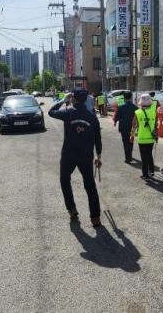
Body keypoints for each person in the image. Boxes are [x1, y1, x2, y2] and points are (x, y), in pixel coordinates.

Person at [48, 89, 103, 227]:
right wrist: (99, 156)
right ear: (85, 100)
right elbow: (98, 138)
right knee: (90, 185)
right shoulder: (92, 116)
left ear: (73, 99)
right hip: (86, 156)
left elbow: (51, 112)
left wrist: (63, 100)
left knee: (64, 180)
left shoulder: (69, 112)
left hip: (69, 155)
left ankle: (72, 210)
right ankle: (95, 217)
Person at [131, 94, 157, 179]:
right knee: (149, 154)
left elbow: (134, 125)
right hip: (151, 138)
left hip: (142, 138)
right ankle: (152, 170)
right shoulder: (153, 111)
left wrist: (131, 135)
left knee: (143, 156)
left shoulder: (137, 112)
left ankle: (145, 174)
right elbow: (155, 124)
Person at [113, 91, 137, 163]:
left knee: (125, 142)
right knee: (131, 141)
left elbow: (117, 117)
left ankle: (128, 158)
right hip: (132, 127)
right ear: (131, 97)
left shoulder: (121, 107)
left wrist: (115, 121)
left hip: (123, 127)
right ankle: (130, 155)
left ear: (124, 98)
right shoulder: (135, 107)